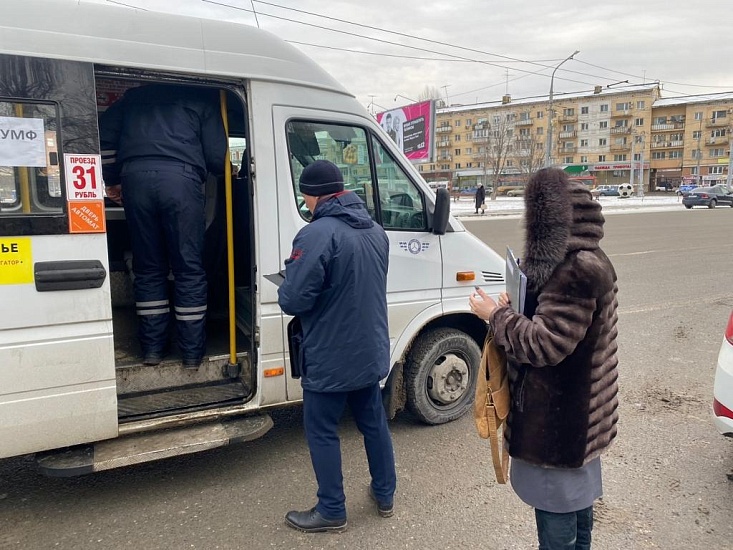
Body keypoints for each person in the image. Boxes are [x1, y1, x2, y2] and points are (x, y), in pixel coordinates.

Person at [469, 168, 619, 550]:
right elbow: (558, 324)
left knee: (557, 516)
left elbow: (545, 344)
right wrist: (517, 306)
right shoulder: (588, 258)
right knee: (576, 507)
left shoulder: (573, 270)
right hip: (578, 416)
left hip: (558, 422)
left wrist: (496, 316)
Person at [278, 159, 397, 533]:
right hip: (368, 351)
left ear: (311, 195)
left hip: (330, 355)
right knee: (373, 423)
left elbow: (293, 300)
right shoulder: (376, 230)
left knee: (322, 429)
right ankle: (385, 494)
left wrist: (288, 278)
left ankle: (331, 509)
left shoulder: (315, 234)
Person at [100, 84, 227, 369]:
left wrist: (113, 180)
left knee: (148, 268)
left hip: (135, 181)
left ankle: (153, 351)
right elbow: (218, 159)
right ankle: (192, 354)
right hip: (181, 182)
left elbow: (104, 138)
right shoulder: (199, 99)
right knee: (188, 269)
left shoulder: (130, 99)